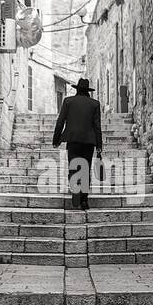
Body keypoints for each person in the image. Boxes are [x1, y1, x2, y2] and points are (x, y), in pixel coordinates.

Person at [52, 78, 103, 210]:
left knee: (73, 166)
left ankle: (75, 187)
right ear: (88, 91)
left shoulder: (68, 101)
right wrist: (99, 145)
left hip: (72, 139)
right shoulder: (95, 104)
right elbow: (97, 126)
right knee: (85, 168)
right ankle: (84, 200)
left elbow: (60, 122)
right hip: (89, 141)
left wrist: (56, 139)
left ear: (77, 89)